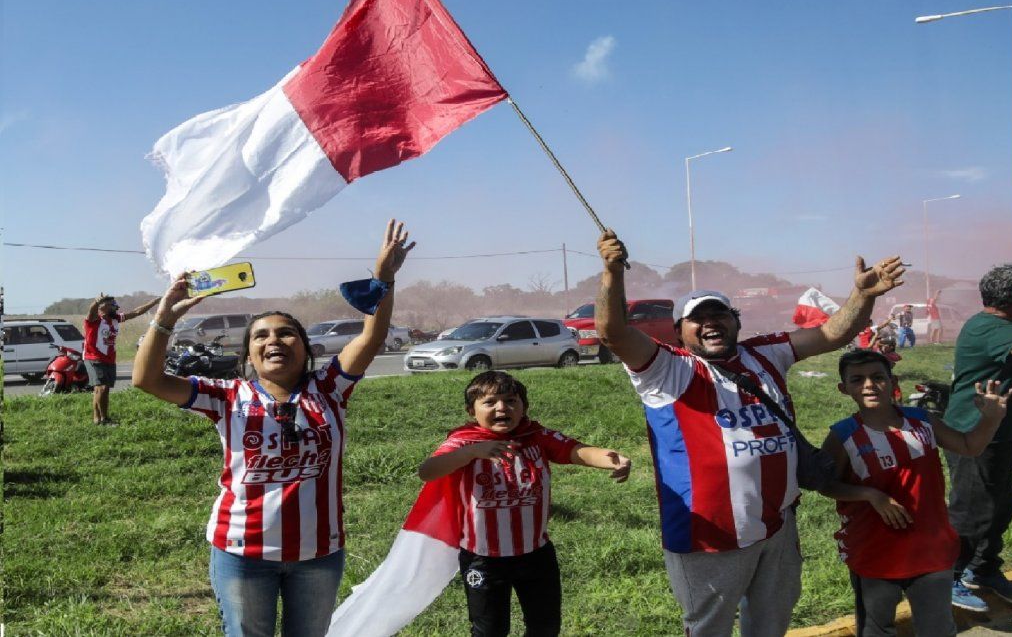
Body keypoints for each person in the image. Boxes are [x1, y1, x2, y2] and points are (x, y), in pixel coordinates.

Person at [594, 230, 905, 637]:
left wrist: (863, 295)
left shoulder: (766, 353)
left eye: (720, 314)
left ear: (736, 321)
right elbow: (613, 333)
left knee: (771, 623)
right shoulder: (665, 369)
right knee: (709, 629)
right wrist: (612, 273)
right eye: (698, 318)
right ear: (679, 331)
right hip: (708, 536)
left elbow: (834, 334)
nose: (710, 323)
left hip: (777, 524)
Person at [132, 219, 414, 637]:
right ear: (249, 353)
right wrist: (163, 320)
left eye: (286, 333)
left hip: (318, 554)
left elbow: (371, 338)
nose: (274, 341)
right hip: (241, 552)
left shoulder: (330, 387)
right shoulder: (226, 396)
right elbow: (147, 380)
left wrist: (384, 278)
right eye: (261, 336)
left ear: (305, 346)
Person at [417, 370, 631, 637]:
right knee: (490, 630)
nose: (501, 408)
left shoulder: (536, 436)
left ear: (524, 407)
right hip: (483, 558)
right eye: (490, 402)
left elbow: (574, 450)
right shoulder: (464, 442)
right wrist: (471, 453)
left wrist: (609, 458)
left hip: (536, 553)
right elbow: (427, 471)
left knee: (545, 627)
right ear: (471, 410)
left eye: (510, 401)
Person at [819, 349, 1010, 636]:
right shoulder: (842, 436)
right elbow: (825, 485)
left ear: (893, 381)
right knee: (876, 629)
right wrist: (871, 495)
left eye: (877, 377)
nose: (869, 385)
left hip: (931, 550)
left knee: (936, 629)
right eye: (857, 379)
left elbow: (970, 446)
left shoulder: (923, 420)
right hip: (874, 552)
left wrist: (991, 418)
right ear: (844, 389)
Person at [944, 264, 1012, 611]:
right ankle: (948, 577)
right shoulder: (992, 327)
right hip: (972, 434)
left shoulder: (1003, 326)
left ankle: (982, 570)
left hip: (996, 433)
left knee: (1001, 506)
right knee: (971, 511)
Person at [84, 292, 160, 425]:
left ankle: (98, 418)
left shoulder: (116, 319)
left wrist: (154, 302)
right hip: (94, 357)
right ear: (104, 307)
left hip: (109, 358)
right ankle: (103, 419)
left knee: (102, 389)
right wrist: (96, 302)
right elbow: (91, 311)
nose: (116, 308)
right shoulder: (94, 321)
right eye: (113, 305)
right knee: (102, 388)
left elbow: (136, 312)